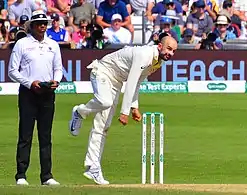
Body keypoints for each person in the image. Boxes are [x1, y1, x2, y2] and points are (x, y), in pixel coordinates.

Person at [68, 36, 178, 185]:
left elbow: (138, 82)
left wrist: (134, 107)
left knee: (103, 126)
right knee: (105, 101)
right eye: (169, 49)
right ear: (160, 46)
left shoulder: (157, 62)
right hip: (102, 71)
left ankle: (93, 167)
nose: (171, 53)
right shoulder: (144, 54)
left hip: (116, 82)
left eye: (174, 51)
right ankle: (80, 111)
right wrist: (124, 112)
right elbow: (131, 82)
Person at [8, 10, 63, 186]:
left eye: (44, 23)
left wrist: (56, 81)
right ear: (32, 25)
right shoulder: (22, 44)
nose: (42, 26)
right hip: (28, 94)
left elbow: (58, 68)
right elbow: (12, 71)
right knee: (25, 135)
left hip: (47, 93)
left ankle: (46, 176)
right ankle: (21, 175)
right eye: (39, 23)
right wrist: (30, 83)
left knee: (45, 136)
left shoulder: (53, 45)